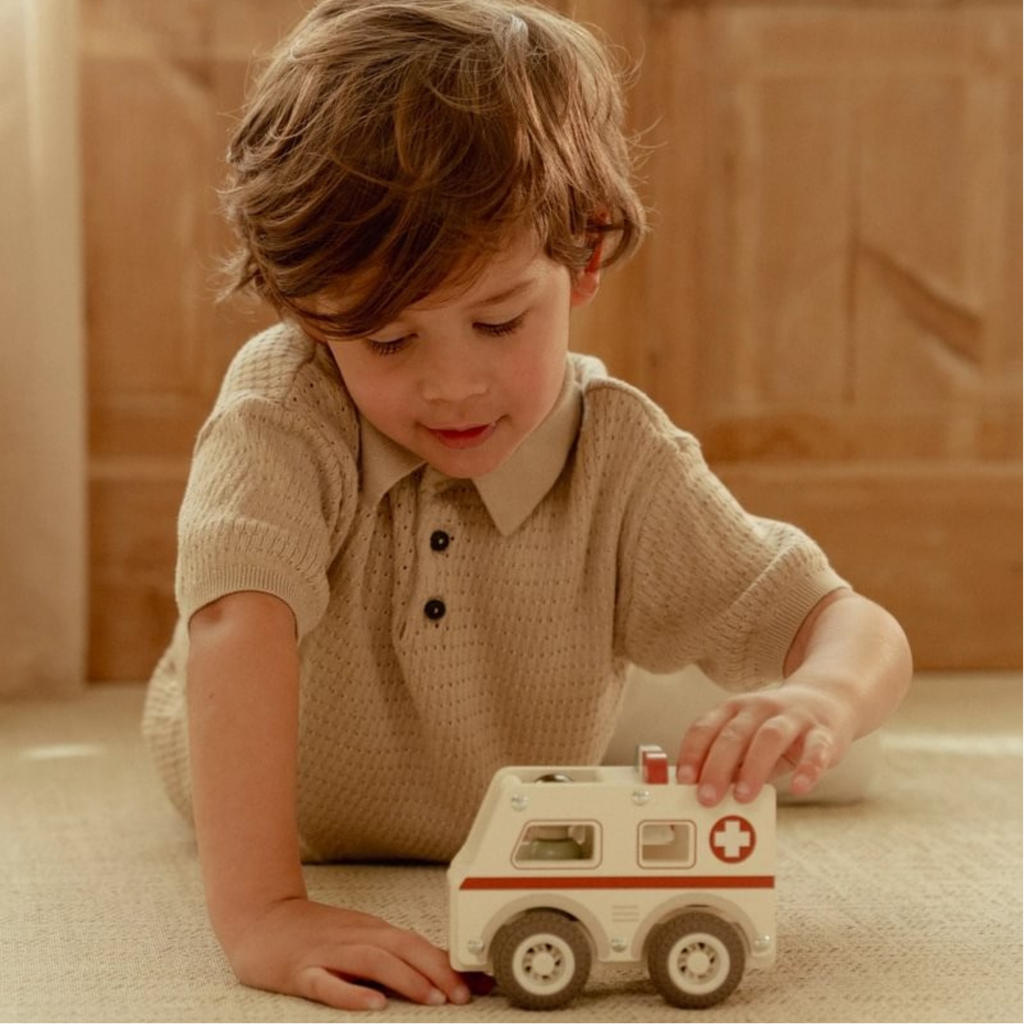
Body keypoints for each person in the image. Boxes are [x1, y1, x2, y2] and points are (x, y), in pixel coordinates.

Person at [143, 0, 912, 1011]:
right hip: (280, 768)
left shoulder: (620, 453)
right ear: (304, 308)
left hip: (514, 754)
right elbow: (238, 623)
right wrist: (264, 909)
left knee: (819, 740)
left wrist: (823, 698)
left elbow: (854, 624)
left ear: (584, 257)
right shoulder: (283, 403)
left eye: (498, 320)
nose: (452, 386)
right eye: (386, 341)